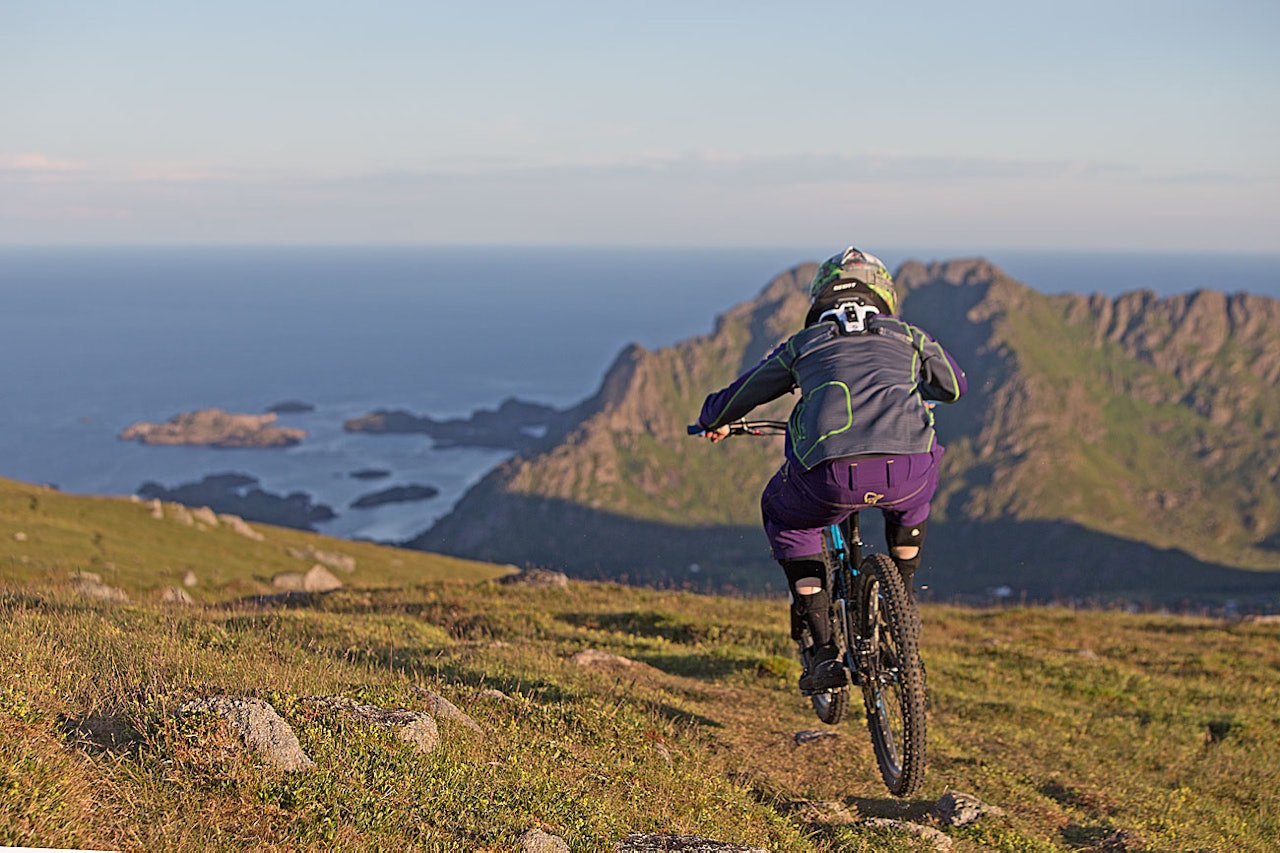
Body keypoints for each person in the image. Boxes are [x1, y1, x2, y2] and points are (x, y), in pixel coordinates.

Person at [693, 246, 967, 692]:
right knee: (911, 501)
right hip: (910, 469)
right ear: (884, 295)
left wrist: (712, 419)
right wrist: (914, 384)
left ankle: (823, 652)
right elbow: (953, 387)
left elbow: (745, 392)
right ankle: (904, 595)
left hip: (830, 477)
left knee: (786, 518)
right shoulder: (910, 337)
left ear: (821, 298)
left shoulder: (805, 345)